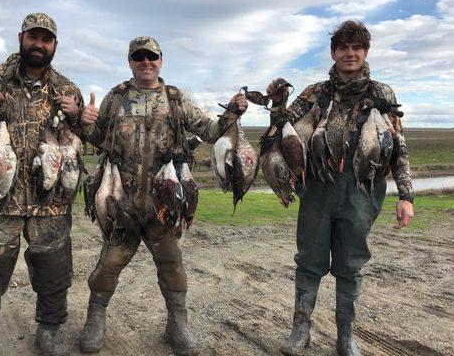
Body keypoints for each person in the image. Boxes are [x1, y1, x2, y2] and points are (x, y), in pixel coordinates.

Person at [78, 36, 247, 356]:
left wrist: (231, 114)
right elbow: (97, 138)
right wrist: (86, 122)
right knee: (111, 262)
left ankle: (177, 323)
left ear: (161, 60)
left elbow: (210, 132)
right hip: (121, 198)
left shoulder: (175, 97)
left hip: (164, 198)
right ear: (130, 62)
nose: (146, 62)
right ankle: (95, 318)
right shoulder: (116, 96)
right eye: (138, 57)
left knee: (171, 262)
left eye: (151, 56)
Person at [0, 13, 85, 356]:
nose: (39, 44)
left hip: (50, 202)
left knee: (54, 273)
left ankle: (49, 332)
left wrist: (81, 116)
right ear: (21, 37)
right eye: (33, 37)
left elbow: (88, 139)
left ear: (55, 45)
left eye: (46, 39)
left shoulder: (66, 88)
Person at [274, 20, 414, 356]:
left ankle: (345, 338)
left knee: (351, 265)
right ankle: (300, 332)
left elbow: (399, 145)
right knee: (309, 260)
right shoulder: (314, 93)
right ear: (333, 52)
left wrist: (406, 195)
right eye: (343, 48)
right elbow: (283, 128)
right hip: (318, 191)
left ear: (365, 51)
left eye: (356, 48)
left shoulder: (382, 94)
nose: (349, 54)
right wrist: (277, 103)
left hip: (361, 193)